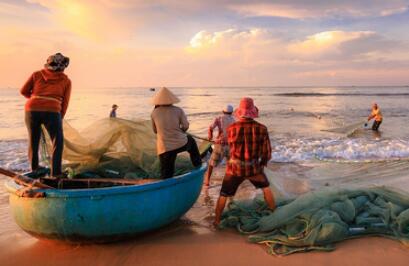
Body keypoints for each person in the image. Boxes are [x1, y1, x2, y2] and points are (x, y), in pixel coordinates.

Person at [214, 97, 275, 226]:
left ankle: (217, 221)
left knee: (223, 194)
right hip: (254, 168)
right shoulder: (262, 129)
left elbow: (229, 149)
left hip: (234, 169)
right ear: (253, 112)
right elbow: (267, 153)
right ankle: (274, 215)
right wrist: (262, 165)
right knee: (266, 189)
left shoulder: (231, 129)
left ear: (240, 112)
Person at [20, 53, 71, 177]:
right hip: (52, 111)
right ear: (63, 67)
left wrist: (35, 99)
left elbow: (23, 91)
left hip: (31, 110)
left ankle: (35, 169)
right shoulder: (66, 80)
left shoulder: (36, 74)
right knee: (57, 141)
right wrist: (60, 117)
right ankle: (56, 173)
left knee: (33, 140)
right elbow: (65, 103)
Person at [151, 87, 202, 178]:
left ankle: (166, 187)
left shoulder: (154, 113)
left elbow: (155, 131)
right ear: (171, 100)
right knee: (191, 142)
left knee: (166, 172)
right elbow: (185, 126)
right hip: (180, 143)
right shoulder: (178, 110)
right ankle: (198, 167)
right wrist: (182, 131)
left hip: (164, 147)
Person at [204, 104, 235, 186]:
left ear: (223, 111)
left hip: (219, 145)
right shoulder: (234, 120)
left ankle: (207, 181)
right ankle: (228, 181)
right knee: (229, 164)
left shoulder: (219, 118)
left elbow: (210, 127)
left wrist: (210, 137)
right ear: (231, 112)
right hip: (230, 145)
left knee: (211, 163)